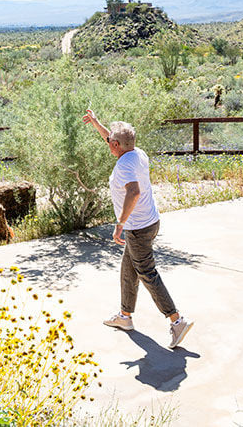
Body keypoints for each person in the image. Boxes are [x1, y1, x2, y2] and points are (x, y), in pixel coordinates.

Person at [82, 109, 193, 349]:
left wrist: (120, 224)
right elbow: (110, 139)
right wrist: (95, 122)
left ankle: (177, 321)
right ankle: (125, 316)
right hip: (150, 222)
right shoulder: (136, 153)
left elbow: (133, 192)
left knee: (146, 273)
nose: (108, 143)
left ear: (116, 145)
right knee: (128, 270)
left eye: (110, 141)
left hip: (137, 228)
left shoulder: (123, 166)